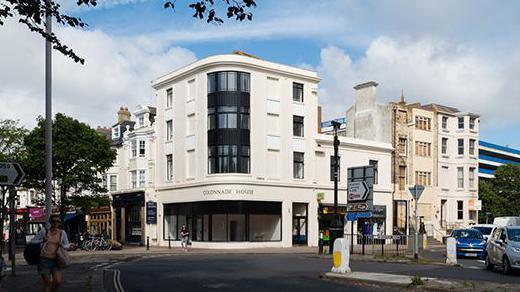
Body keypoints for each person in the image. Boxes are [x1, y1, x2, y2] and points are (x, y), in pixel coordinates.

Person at [30, 215, 70, 292]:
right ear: (50, 222)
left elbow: (66, 245)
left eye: (58, 221)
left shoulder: (62, 233)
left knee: (58, 282)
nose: (56, 223)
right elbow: (32, 241)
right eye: (53, 221)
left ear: (60, 223)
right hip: (44, 260)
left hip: (56, 260)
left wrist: (63, 245)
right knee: (47, 283)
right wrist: (42, 240)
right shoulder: (44, 231)